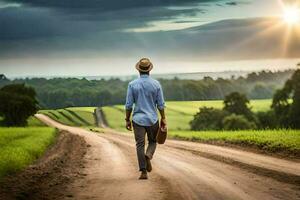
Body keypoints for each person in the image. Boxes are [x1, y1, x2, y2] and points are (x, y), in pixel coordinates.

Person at [125, 58, 167, 180]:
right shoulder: (156, 84)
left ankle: (143, 172)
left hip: (138, 120)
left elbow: (128, 105)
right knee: (153, 141)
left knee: (139, 144)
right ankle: (148, 155)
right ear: (149, 70)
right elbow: (160, 104)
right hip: (152, 119)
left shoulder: (132, 85)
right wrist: (163, 118)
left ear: (139, 70)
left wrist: (127, 119)